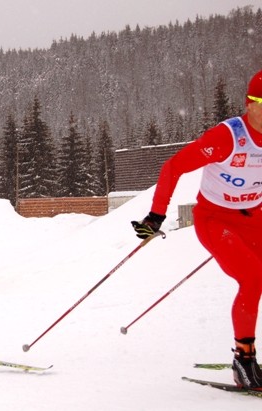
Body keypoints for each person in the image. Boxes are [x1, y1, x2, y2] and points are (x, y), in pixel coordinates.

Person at [131, 69, 262, 390]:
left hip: (254, 218)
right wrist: (156, 216)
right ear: (249, 103)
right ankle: (243, 360)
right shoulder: (227, 137)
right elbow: (174, 166)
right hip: (216, 219)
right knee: (253, 278)